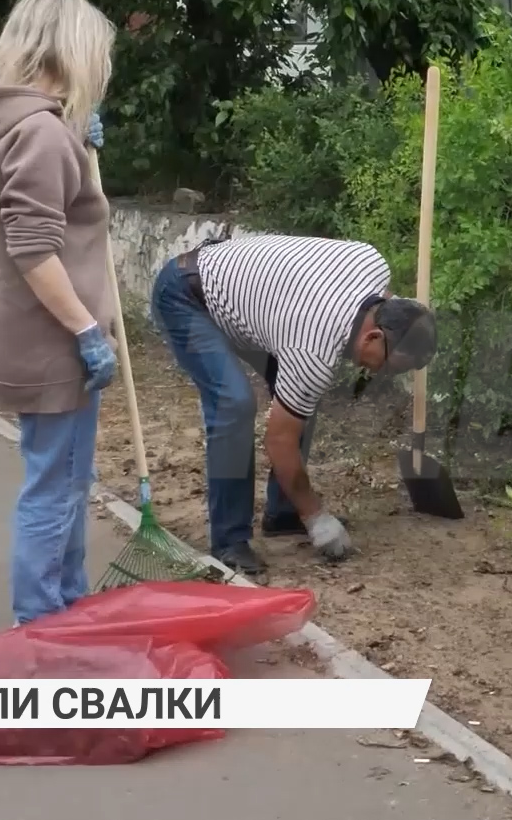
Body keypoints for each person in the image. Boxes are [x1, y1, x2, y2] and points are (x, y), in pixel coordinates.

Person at [0, 0, 120, 626]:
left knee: (64, 475)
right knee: (55, 486)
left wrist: (70, 131)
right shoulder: (39, 132)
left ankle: (66, 604)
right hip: (51, 341)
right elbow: (33, 249)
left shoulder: (0, 119)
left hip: (12, 333)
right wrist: (85, 330)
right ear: (74, 52)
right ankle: (40, 624)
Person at [150, 234, 437, 576]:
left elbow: (395, 305)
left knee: (300, 398)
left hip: (258, 309)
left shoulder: (373, 265)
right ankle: (229, 540)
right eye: (387, 365)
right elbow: (279, 440)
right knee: (234, 404)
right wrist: (317, 517)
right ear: (373, 337)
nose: (380, 373)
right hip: (187, 295)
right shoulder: (314, 350)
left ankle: (283, 511)